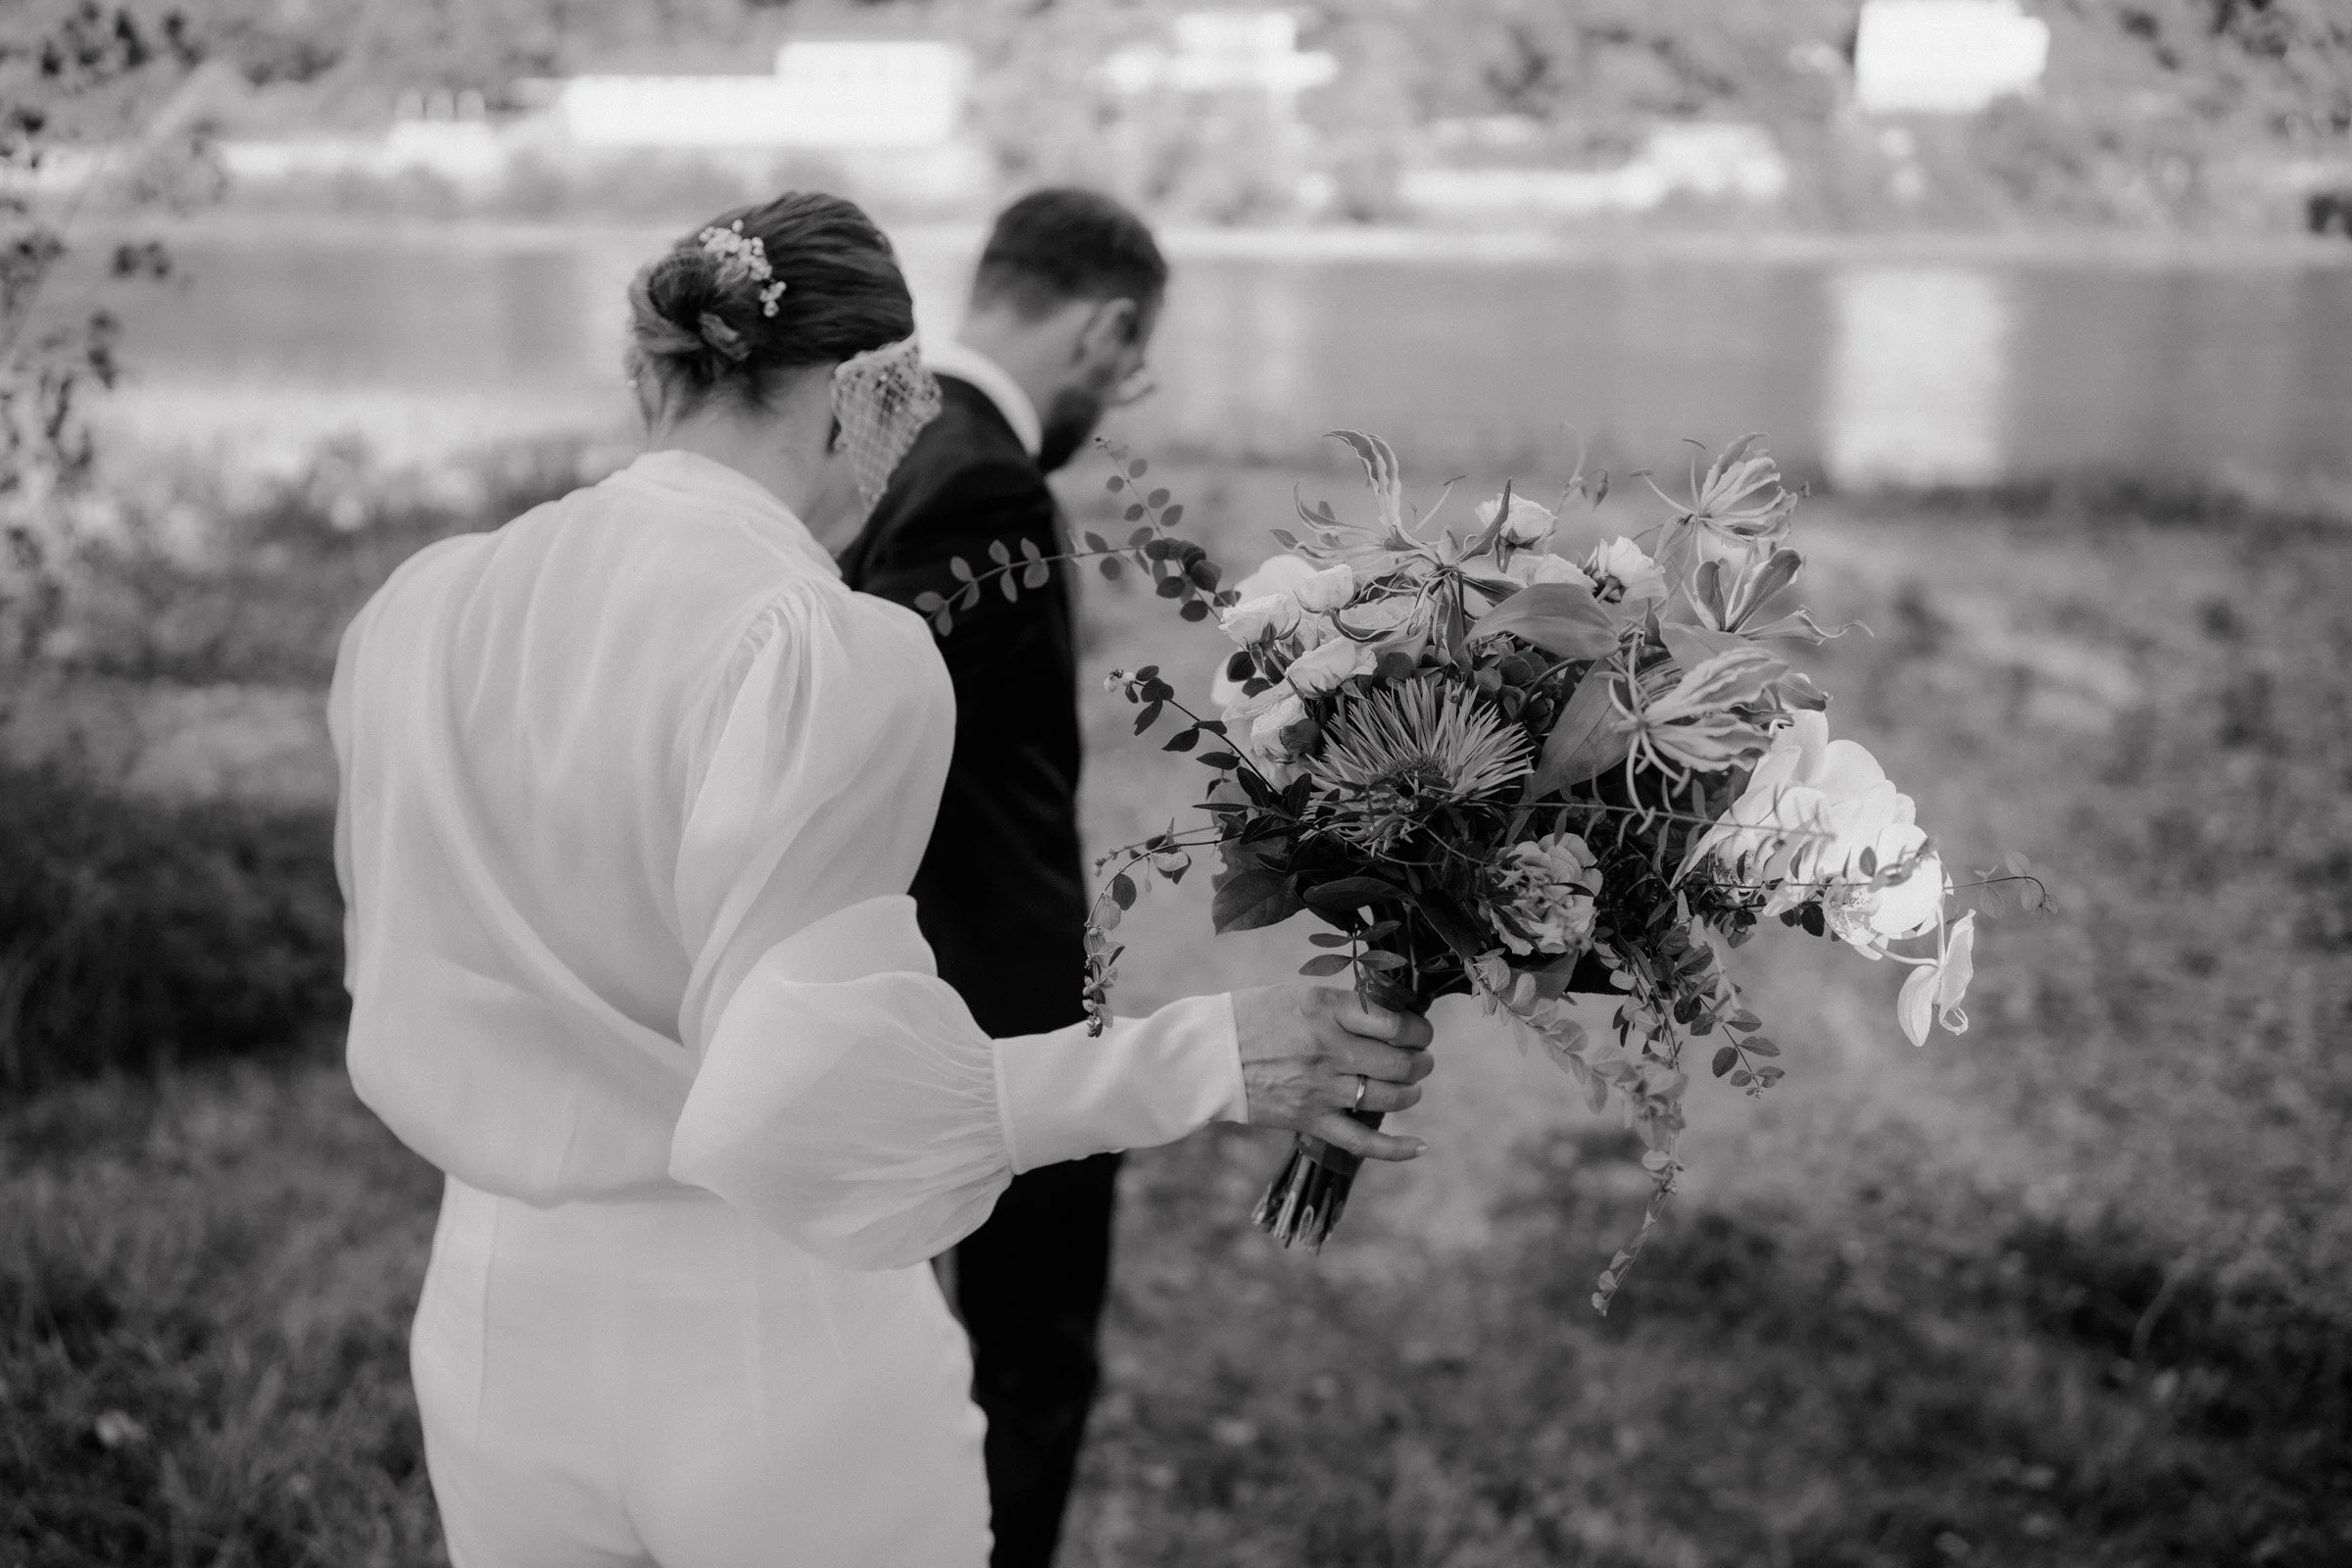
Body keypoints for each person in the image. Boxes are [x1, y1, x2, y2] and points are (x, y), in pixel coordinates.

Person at [329, 190, 1436, 1568]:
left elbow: (400, 975)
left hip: (492, 1335)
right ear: (866, 388)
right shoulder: (821, 647)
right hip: (765, 1348)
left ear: (658, 371)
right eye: (901, 404)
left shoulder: (420, 611)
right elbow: (817, 1105)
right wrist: (1211, 1056)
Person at [835, 187, 1167, 1568]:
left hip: (890, 978)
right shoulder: (985, 480)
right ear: (1103, 327)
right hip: (986, 1012)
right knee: (1024, 1373)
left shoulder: (875, 438)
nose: (1129, 388)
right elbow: (857, 730)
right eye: (1137, 357)